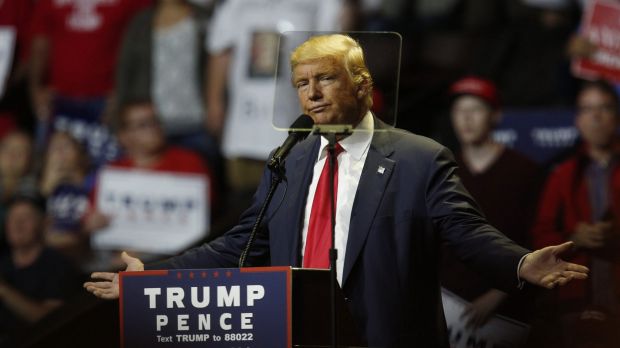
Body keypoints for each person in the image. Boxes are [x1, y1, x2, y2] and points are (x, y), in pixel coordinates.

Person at [85, 34, 588, 347]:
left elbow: (465, 232)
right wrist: (150, 274)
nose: (312, 94)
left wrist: (520, 263)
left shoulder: (418, 157)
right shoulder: (290, 157)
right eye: (302, 83)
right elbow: (242, 243)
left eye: (325, 78)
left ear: (362, 84)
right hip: (300, 334)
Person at [441, 76, 541, 329]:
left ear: (495, 116)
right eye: (459, 110)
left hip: (510, 308)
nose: (466, 118)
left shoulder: (525, 171)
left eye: (475, 109)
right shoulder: (441, 171)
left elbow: (536, 238)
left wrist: (500, 294)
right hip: (449, 306)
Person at [529, 79, 620, 348]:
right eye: (587, 109)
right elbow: (539, 235)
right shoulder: (562, 172)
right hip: (575, 299)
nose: (595, 116)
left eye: (604, 107)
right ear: (577, 120)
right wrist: (573, 238)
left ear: (615, 115)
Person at [0, 193, 77, 340]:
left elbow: (50, 320)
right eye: (12, 218)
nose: (17, 224)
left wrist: (4, 291)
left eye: (26, 218)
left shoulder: (57, 264)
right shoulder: (3, 263)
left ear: (44, 223)